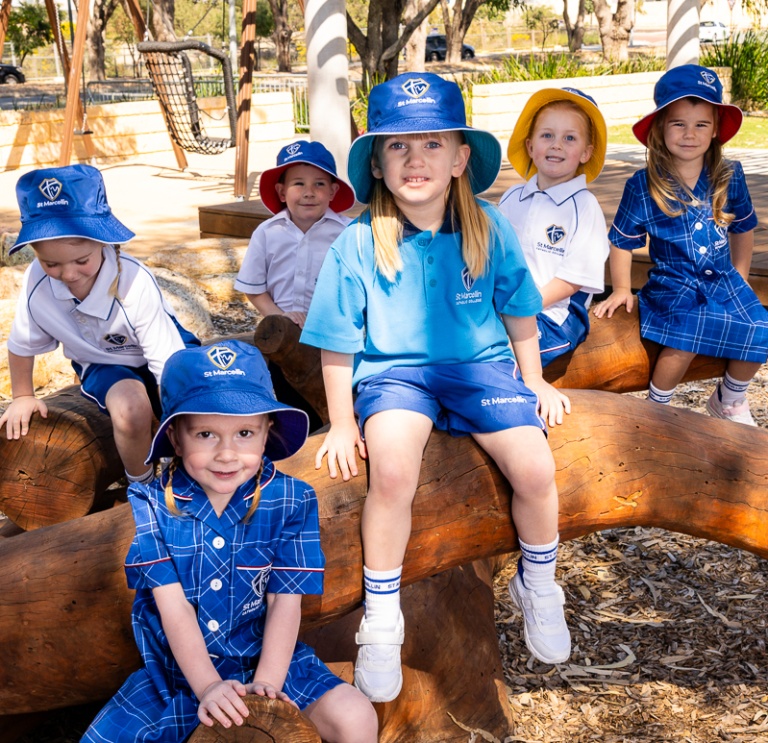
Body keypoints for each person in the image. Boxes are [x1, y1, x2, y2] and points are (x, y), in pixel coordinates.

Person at [300, 73, 573, 704]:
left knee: (534, 466)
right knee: (393, 471)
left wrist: (533, 381)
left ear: (458, 159)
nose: (415, 158)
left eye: (431, 143)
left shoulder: (489, 227)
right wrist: (342, 423)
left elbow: (519, 310)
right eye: (397, 146)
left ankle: (539, 582)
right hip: (394, 374)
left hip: (478, 368)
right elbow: (339, 341)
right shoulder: (359, 241)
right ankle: (381, 614)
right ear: (376, 164)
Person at [81, 339, 378, 743]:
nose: (226, 453)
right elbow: (174, 610)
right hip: (180, 674)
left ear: (267, 430)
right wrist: (207, 687)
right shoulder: (152, 503)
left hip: (269, 662)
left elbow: (283, 600)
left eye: (244, 433)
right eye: (205, 433)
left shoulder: (291, 499)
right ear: (175, 438)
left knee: (356, 717)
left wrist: (267, 689)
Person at [0, 164, 199, 485]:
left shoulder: (132, 281)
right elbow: (22, 343)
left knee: (193, 409)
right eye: (51, 263)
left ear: (103, 242)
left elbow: (167, 361)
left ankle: (190, 476)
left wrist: (178, 411)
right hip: (104, 362)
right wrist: (23, 395)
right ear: (35, 254)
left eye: (82, 261)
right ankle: (144, 487)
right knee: (130, 409)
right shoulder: (36, 284)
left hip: (168, 354)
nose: (68, 274)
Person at [593, 65, 768, 425]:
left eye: (701, 124)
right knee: (685, 334)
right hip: (674, 283)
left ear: (716, 129)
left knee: (761, 327)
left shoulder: (729, 174)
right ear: (660, 128)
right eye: (678, 124)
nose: (690, 134)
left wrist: (740, 275)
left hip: (722, 277)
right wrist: (622, 288)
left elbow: (745, 228)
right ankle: (658, 409)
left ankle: (730, 399)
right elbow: (621, 241)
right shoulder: (642, 185)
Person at [234, 140, 355, 430]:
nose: (309, 193)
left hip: (334, 334)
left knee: (333, 393)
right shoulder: (267, 232)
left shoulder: (347, 232)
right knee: (289, 395)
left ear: (333, 191)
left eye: (320, 184)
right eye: (298, 184)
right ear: (281, 190)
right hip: (283, 336)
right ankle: (297, 439)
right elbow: (254, 286)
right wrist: (279, 317)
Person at [499, 88, 609, 366]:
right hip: (505, 307)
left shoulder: (584, 206)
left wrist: (522, 306)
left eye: (569, 138)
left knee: (500, 360)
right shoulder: (512, 197)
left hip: (553, 315)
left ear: (586, 153)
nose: (556, 145)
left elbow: (573, 280)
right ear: (530, 146)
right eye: (547, 135)